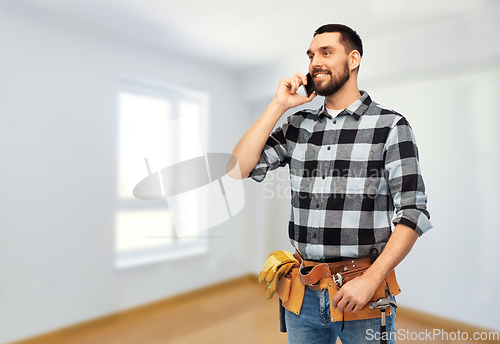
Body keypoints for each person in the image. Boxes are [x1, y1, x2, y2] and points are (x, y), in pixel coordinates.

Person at [228, 24, 432, 344]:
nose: (314, 62)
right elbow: (237, 168)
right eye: (311, 55)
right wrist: (278, 105)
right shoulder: (298, 125)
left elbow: (413, 212)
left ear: (353, 59)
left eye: (326, 52)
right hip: (303, 292)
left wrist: (370, 280)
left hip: (362, 291)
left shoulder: (390, 125)